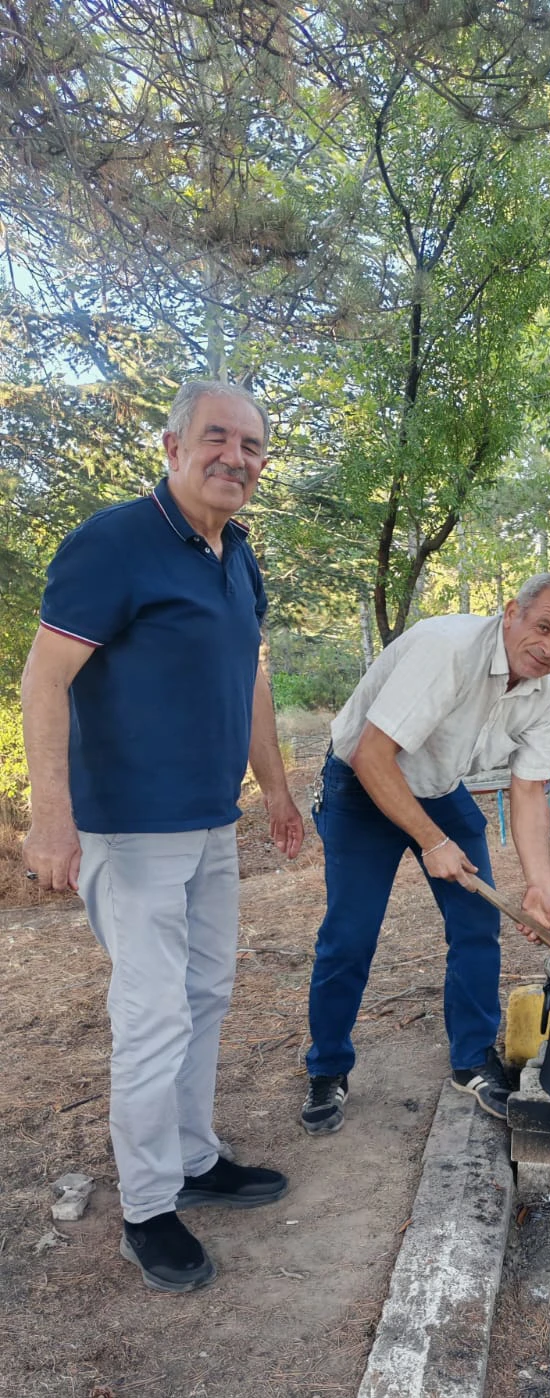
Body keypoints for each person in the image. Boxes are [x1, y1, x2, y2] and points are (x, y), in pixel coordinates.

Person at [21, 379, 305, 1293]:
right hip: (131, 829)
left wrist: (275, 789)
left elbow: (249, 676)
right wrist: (51, 816)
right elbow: (43, 679)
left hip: (211, 821)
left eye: (252, 446)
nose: (235, 457)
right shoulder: (114, 543)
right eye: (217, 437)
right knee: (153, 1018)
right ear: (174, 446)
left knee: (207, 993)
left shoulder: (238, 554)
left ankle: (191, 1158)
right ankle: (146, 1209)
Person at [301, 573, 550, 1133]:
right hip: (363, 784)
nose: (549, 648)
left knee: (478, 922)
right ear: (511, 611)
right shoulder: (448, 650)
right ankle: (327, 1068)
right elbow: (371, 755)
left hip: (437, 787)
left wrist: (541, 885)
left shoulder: (545, 694)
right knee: (350, 936)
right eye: (542, 627)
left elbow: (529, 790)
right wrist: (432, 841)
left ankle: (472, 1060)